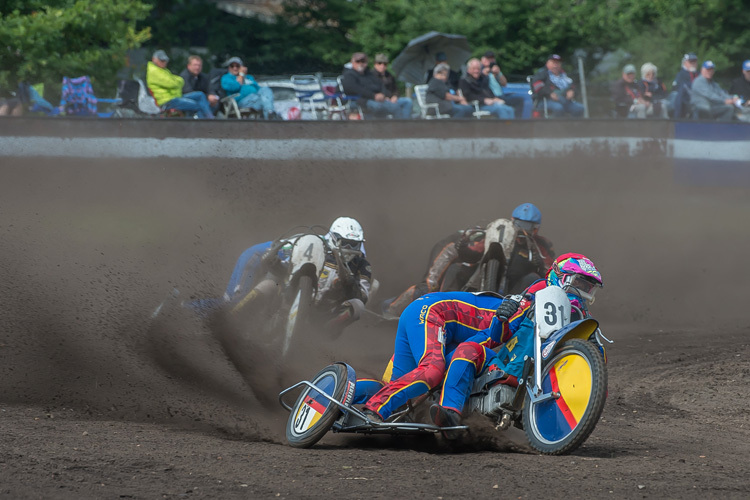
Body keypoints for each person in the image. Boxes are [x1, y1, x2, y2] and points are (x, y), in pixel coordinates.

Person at [430, 253, 603, 435]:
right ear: (559, 277)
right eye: (578, 283)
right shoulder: (531, 301)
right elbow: (498, 335)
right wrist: (502, 316)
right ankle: (450, 413)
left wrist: (596, 349)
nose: (581, 291)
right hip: (505, 363)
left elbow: (598, 375)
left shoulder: (585, 320)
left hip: (549, 377)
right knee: (468, 349)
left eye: (587, 287)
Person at [380, 203, 554, 319]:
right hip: (477, 284)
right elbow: (461, 251)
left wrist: (539, 266)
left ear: (535, 229)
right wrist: (433, 281)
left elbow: (550, 271)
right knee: (449, 274)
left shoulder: (539, 246)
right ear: (512, 221)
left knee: (533, 279)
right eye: (518, 223)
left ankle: (522, 318)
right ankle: (399, 308)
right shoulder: (492, 235)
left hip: (513, 293)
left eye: (527, 226)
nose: (521, 229)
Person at [360, 290, 511, 422]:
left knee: (396, 391)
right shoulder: (513, 318)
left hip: (425, 316)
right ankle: (375, 409)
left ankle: (342, 393)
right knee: (432, 370)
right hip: (431, 313)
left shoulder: (513, 310)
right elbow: (466, 351)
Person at [227, 217, 372, 333]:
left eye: (354, 244)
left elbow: (362, 297)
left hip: (323, 312)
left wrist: (348, 282)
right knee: (268, 285)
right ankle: (228, 319)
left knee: (357, 306)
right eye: (345, 243)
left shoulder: (362, 265)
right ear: (334, 239)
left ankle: (324, 334)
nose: (349, 249)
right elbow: (282, 264)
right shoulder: (315, 246)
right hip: (288, 295)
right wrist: (273, 261)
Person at [341, 52, 412, 119]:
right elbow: (353, 89)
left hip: (377, 99)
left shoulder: (369, 75)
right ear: (352, 62)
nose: (361, 64)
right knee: (380, 107)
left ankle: (401, 127)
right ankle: (379, 128)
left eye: (363, 62)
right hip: (359, 100)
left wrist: (384, 95)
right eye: (358, 61)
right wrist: (373, 95)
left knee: (396, 106)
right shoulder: (349, 75)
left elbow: (381, 86)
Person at [146, 49, 215, 119]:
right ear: (154, 59)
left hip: (175, 97)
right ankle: (202, 125)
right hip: (167, 101)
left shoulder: (163, 70)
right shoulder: (154, 71)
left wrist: (177, 81)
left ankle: (210, 118)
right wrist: (178, 82)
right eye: (162, 60)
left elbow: (176, 80)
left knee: (200, 95)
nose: (164, 62)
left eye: (165, 60)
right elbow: (172, 83)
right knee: (197, 105)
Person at [482, 50, 533, 119]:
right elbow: (481, 83)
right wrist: (486, 72)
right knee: (508, 107)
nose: (491, 60)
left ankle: (518, 120)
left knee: (520, 100)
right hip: (492, 96)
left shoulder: (496, 70)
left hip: (501, 95)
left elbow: (504, 83)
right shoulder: (481, 71)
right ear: (484, 59)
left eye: (492, 58)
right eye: (489, 59)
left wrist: (498, 73)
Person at [670, 52, 699, 119]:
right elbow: (677, 91)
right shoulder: (681, 75)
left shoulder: (699, 74)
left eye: (695, 61)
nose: (693, 64)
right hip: (686, 101)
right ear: (685, 63)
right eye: (691, 62)